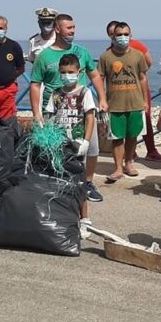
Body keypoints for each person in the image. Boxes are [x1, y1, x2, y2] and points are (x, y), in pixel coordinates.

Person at [30, 14, 108, 201]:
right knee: (58, 148)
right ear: (57, 29)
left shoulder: (82, 52)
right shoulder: (44, 56)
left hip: (82, 109)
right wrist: (37, 113)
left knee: (91, 149)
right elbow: (35, 84)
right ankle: (60, 181)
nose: (72, 31)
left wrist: (102, 98)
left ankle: (87, 183)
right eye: (69, 28)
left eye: (74, 27)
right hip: (55, 110)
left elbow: (95, 75)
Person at [44, 53, 97, 237]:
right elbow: (49, 116)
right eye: (63, 72)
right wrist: (47, 137)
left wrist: (87, 141)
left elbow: (90, 117)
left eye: (71, 72)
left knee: (79, 182)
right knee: (59, 179)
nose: (67, 75)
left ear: (79, 72)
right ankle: (63, 214)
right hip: (58, 144)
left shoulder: (84, 92)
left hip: (77, 144)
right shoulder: (56, 93)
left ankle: (84, 219)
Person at [97, 22, 149, 181]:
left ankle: (129, 163)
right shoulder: (105, 57)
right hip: (115, 105)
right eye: (119, 34)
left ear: (130, 35)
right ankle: (118, 168)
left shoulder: (138, 55)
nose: (123, 37)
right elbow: (100, 78)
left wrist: (146, 100)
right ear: (113, 36)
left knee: (132, 136)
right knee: (117, 138)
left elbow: (142, 78)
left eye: (126, 34)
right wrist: (102, 99)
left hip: (135, 103)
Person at [105, 20, 161, 162]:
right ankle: (131, 153)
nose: (118, 37)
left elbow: (148, 62)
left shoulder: (137, 46)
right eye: (113, 34)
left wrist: (137, 75)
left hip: (138, 90)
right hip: (119, 96)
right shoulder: (108, 52)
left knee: (145, 119)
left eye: (121, 33)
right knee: (122, 125)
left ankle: (151, 150)